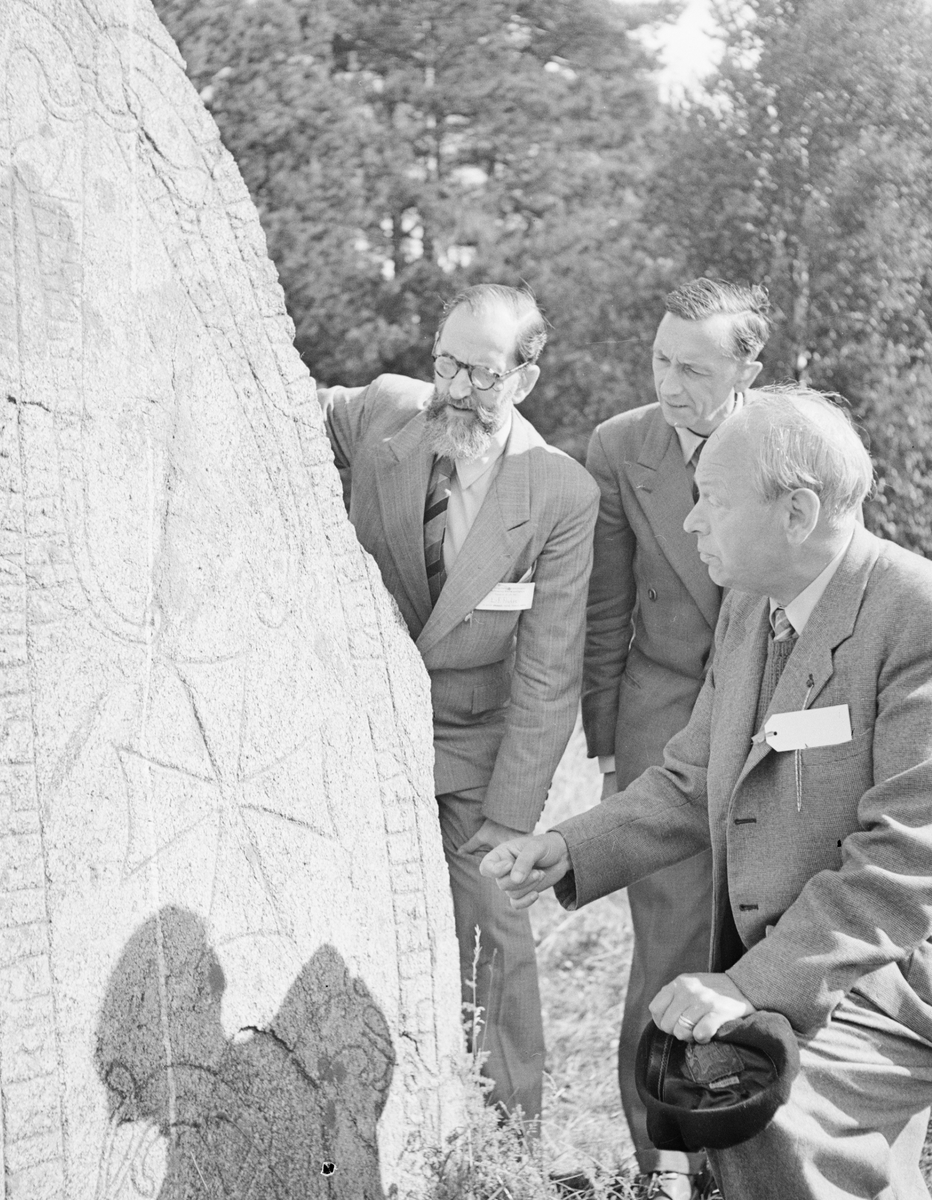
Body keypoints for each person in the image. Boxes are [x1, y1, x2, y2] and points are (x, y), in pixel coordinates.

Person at [483, 386, 932, 1199]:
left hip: (929, 960)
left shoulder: (924, 616)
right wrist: (569, 848)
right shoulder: (750, 606)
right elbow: (692, 779)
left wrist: (747, 987)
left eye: (713, 499)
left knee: (750, 1101)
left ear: (797, 512)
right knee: (734, 1094)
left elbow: (913, 855)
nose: (690, 522)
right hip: (823, 951)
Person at [318, 284, 599, 1129]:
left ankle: (509, 1145)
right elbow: (270, 404)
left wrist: (510, 822)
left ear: (526, 378)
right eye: (446, 363)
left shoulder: (560, 493)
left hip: (472, 743)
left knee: (494, 932)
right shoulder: (384, 409)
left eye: (482, 374)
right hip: (353, 727)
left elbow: (549, 673)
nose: (455, 390)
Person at [582, 278, 769, 1200]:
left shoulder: (790, 442)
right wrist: (612, 754)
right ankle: (664, 1162)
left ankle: (758, 1149)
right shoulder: (620, 447)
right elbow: (605, 610)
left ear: (748, 371)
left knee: (763, 941)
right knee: (670, 952)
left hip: (774, 728)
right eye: (661, 360)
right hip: (662, 733)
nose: (669, 383)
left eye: (694, 369)